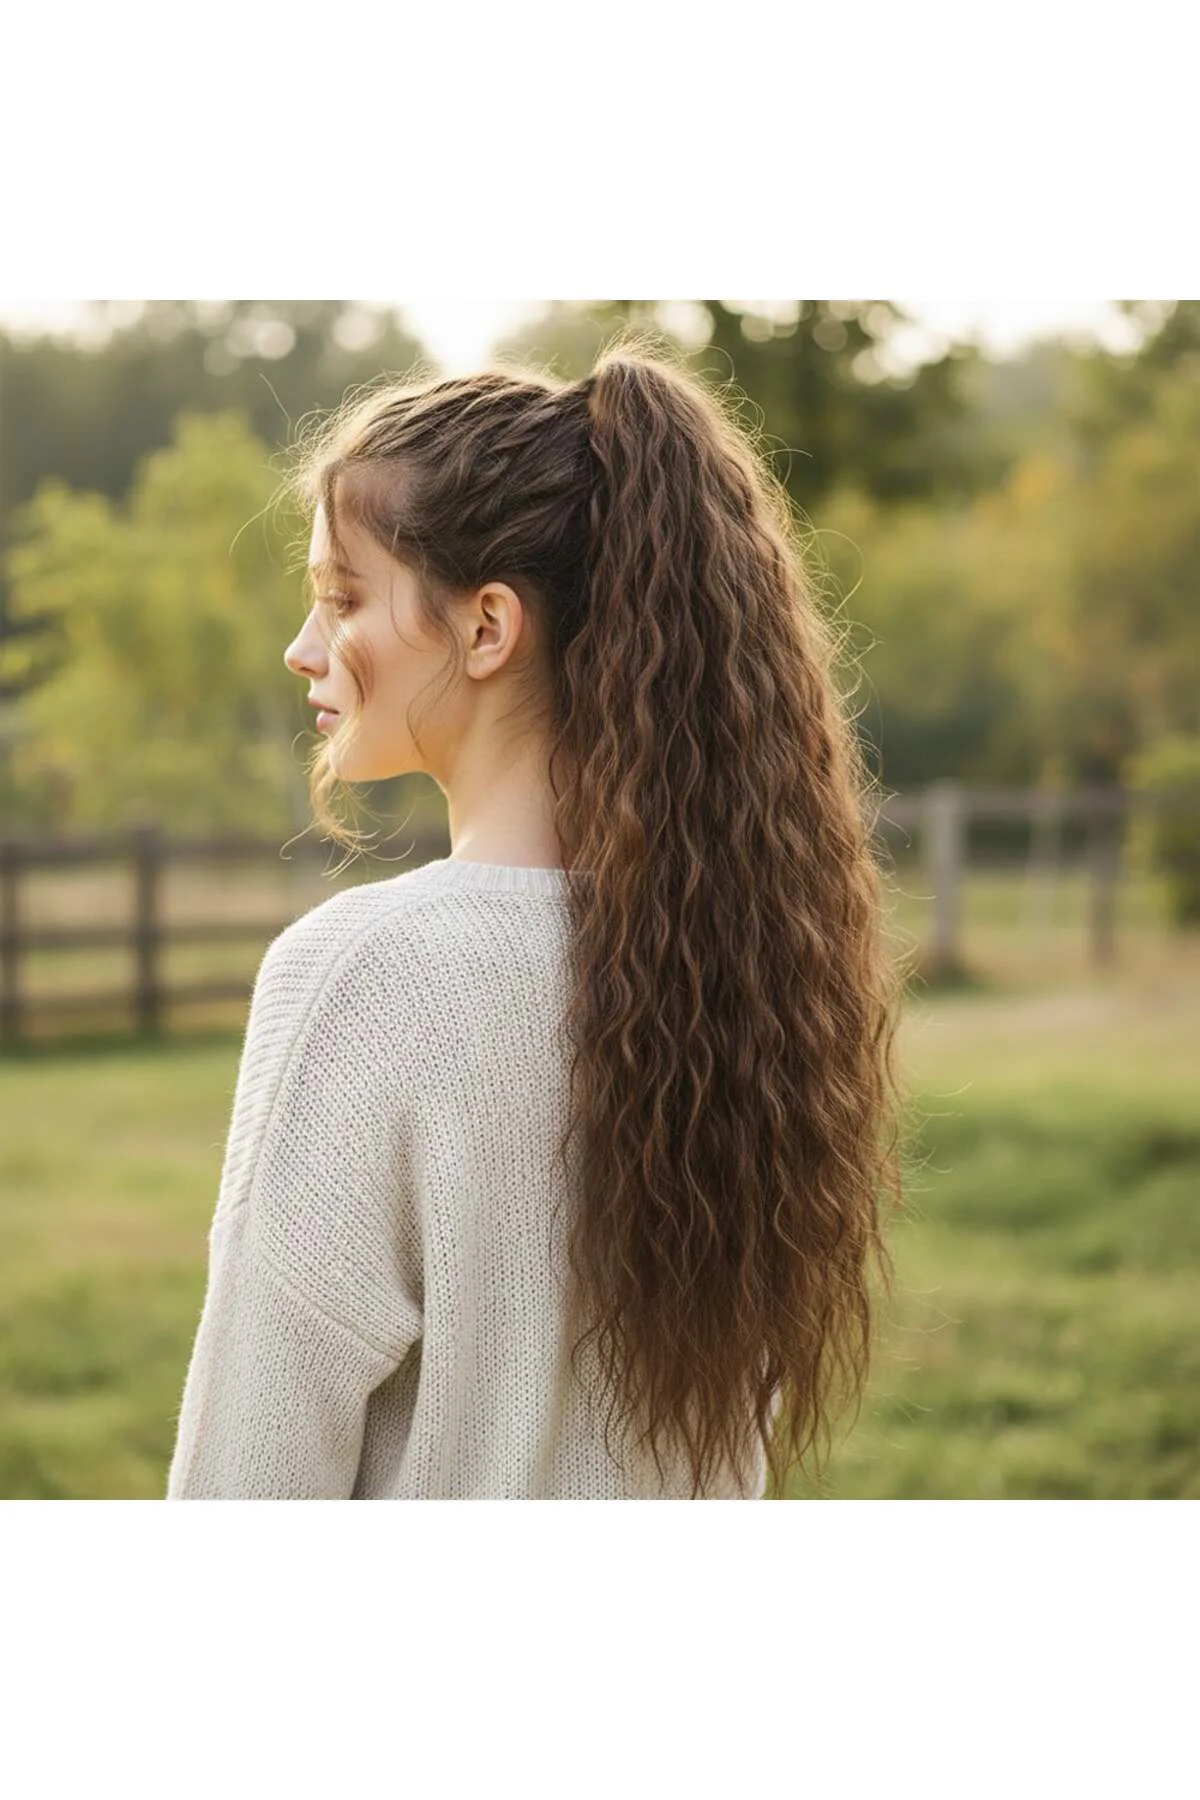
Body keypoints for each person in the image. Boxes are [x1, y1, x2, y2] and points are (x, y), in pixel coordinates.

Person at [165, 334, 909, 1501]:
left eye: (343, 598)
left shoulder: (366, 977)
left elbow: (251, 1472)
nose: (303, 649)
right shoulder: (740, 962)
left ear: (487, 627)